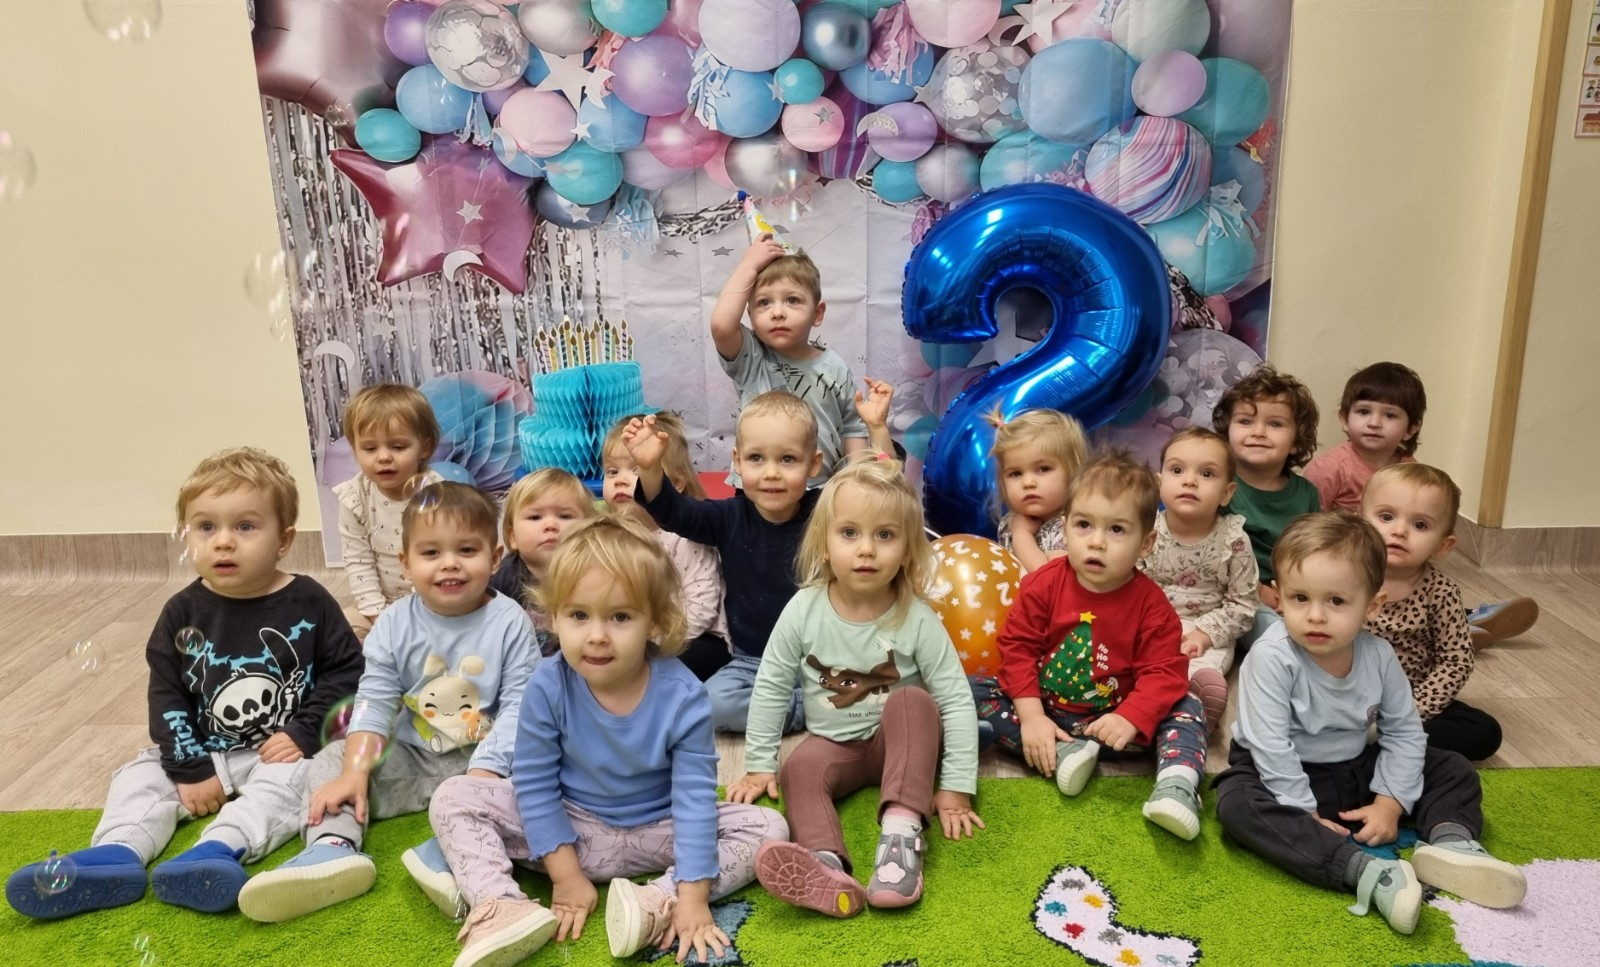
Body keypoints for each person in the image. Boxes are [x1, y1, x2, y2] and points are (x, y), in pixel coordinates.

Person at [5, 448, 363, 919]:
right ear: (185, 535)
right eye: (206, 527)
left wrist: (304, 732)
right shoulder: (180, 611)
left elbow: (347, 672)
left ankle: (217, 849)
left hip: (280, 750)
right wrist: (189, 766)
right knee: (138, 774)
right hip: (203, 745)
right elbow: (168, 695)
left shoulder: (309, 601)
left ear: (284, 540)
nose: (224, 542)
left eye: (246, 526)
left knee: (297, 782)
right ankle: (117, 852)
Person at [425, 516, 787, 966]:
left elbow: (694, 800)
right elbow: (536, 785)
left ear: (654, 621)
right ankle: (501, 905)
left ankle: (656, 899)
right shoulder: (547, 684)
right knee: (453, 795)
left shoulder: (684, 694)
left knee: (767, 827)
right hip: (570, 832)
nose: (597, 636)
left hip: (660, 832)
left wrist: (692, 897)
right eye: (579, 615)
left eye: (620, 617)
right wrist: (565, 875)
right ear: (554, 616)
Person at [236, 482, 538, 924]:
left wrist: (483, 776)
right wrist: (355, 772)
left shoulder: (510, 621)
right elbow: (374, 701)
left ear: (494, 558)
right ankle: (333, 849)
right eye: (431, 553)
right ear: (406, 563)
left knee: (546, 776)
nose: (449, 563)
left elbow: (519, 708)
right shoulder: (394, 624)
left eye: (466, 550)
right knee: (335, 758)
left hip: (491, 763)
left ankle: (449, 856)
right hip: (415, 758)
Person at [1215, 513, 1526, 935]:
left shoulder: (1379, 655)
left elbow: (1404, 732)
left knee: (1452, 767)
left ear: (1372, 605)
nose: (1316, 616)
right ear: (1278, 598)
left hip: (1354, 766)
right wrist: (1304, 812)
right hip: (1278, 773)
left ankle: (1452, 844)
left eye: (1336, 601)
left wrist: (1389, 803)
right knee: (1236, 804)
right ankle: (1365, 872)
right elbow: (1270, 745)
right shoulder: (1271, 658)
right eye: (1300, 598)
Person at [728, 452, 981, 917]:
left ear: (907, 550)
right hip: (836, 746)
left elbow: (956, 700)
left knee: (913, 701)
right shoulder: (803, 610)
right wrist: (760, 765)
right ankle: (824, 864)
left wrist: (956, 786)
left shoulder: (916, 617)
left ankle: (900, 837)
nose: (866, 549)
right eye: (849, 533)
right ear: (825, 544)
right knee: (799, 769)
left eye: (885, 535)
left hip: (901, 746)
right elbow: (771, 686)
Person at [973, 452, 1208, 841]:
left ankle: (1176, 786)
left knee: (1187, 703)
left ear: (1146, 543)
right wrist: (1032, 717)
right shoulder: (1043, 584)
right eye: (1084, 525)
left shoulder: (1152, 606)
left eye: (1116, 529)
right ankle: (1062, 753)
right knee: (969, 689)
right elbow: (1017, 650)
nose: (1096, 542)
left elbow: (1163, 672)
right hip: (1047, 714)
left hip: (1116, 726)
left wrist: (1129, 717)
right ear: (1065, 528)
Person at [624, 391, 824, 732]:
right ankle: (815, 709)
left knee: (877, 685)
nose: (771, 473)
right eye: (756, 458)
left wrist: (878, 431)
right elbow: (675, 513)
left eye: (788, 459)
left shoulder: (826, 511)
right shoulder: (728, 516)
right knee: (714, 704)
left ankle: (816, 702)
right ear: (737, 461)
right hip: (752, 662)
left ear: (814, 464)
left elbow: (878, 499)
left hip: (821, 659)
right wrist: (650, 468)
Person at [1305, 362, 1538, 648]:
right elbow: (1309, 524)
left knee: (1424, 580)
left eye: (1390, 415)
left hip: (1397, 561)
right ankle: (1447, 628)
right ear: (1344, 418)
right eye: (1364, 411)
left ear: (1411, 428)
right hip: (1349, 559)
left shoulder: (1410, 469)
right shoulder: (1330, 468)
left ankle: (1456, 620)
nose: (1375, 422)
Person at [709, 235, 893, 485]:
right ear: (750, 315)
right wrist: (748, 266)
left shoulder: (834, 366)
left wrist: (854, 486)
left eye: (792, 300)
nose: (777, 313)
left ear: (817, 313)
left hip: (820, 491)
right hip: (759, 490)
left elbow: (852, 428)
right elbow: (721, 325)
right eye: (764, 303)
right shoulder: (751, 358)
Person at [1360, 464, 1502, 761]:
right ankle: (1368, 744)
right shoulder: (1345, 576)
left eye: (1420, 525)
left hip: (1414, 695)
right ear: (1358, 523)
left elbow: (1456, 660)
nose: (1399, 531)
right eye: (1386, 517)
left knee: (1484, 732)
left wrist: (1412, 710)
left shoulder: (1440, 591)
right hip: (1345, 692)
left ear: (1442, 545)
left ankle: (1379, 743)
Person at [1139, 427, 1259, 733]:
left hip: (1204, 628)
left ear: (1226, 493)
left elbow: (1243, 604)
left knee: (1199, 668)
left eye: (1207, 474)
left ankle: (1195, 707)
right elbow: (1126, 582)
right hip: (1148, 623)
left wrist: (1205, 635)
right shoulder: (1144, 530)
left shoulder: (1233, 540)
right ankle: (1136, 702)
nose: (1189, 481)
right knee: (1124, 657)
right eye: (1177, 470)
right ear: (1159, 482)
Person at [601, 412, 732, 681]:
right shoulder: (606, 535)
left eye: (637, 470)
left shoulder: (686, 537)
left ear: (676, 485)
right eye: (612, 471)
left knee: (664, 670)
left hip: (697, 637)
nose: (620, 480)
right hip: (635, 638)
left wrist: (652, 642)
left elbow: (701, 608)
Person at [1211, 363, 1323, 652]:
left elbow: (1313, 555)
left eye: (1275, 424)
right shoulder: (1219, 488)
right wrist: (1258, 589)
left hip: (1292, 593)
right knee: (1279, 636)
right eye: (1246, 421)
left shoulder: (1307, 494)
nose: (1258, 432)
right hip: (1235, 594)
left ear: (1296, 441)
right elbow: (1211, 552)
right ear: (1227, 433)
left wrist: (1294, 594)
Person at [333, 383, 443, 640]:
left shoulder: (437, 493)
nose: (383, 457)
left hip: (432, 600)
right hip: (381, 604)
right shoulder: (354, 497)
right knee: (342, 628)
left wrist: (420, 613)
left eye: (398, 447)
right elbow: (358, 560)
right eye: (370, 449)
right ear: (355, 449)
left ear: (424, 447)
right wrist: (378, 616)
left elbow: (440, 556)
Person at [490, 467, 597, 654]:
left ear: (589, 529)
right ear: (512, 536)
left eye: (565, 516)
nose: (550, 525)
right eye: (535, 517)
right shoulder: (503, 576)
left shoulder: (596, 574)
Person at [987, 408, 1089, 573]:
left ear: (1073, 472)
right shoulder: (1011, 521)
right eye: (1015, 473)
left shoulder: (1073, 528)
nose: (1028, 483)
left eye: (1043, 469)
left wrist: (1022, 536)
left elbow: (1051, 581)